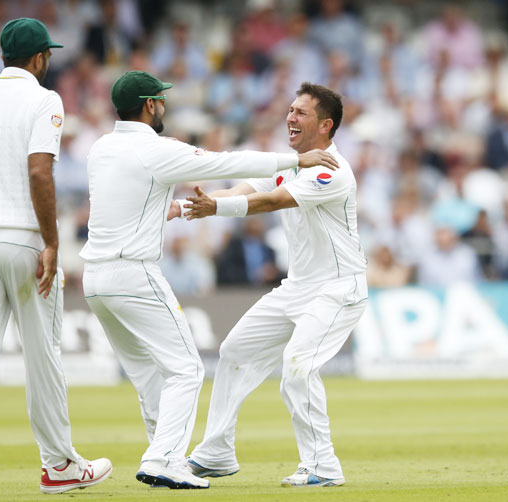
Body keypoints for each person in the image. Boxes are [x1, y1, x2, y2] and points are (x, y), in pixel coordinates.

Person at [80, 70, 339, 490]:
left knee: (149, 376)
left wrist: (182, 209)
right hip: (133, 272)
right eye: (160, 100)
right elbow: (224, 162)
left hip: (94, 279)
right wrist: (295, 159)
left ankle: (164, 454)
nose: (163, 105)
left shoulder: (101, 148)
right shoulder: (157, 149)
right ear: (150, 105)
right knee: (186, 369)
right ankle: (165, 457)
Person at [0, 18, 111, 497]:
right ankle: (58, 466)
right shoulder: (43, 99)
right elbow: (39, 173)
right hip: (24, 242)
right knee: (42, 355)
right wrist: (52, 242)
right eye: (47, 56)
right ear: (39, 59)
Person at [184, 83, 368, 488]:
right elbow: (244, 190)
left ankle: (323, 466)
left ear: (326, 125)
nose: (290, 117)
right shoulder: (290, 161)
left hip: (338, 289)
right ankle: (215, 453)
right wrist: (190, 206)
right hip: (297, 288)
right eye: (290, 109)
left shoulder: (330, 170)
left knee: (298, 368)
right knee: (233, 351)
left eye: (301, 112)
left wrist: (217, 207)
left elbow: (273, 202)